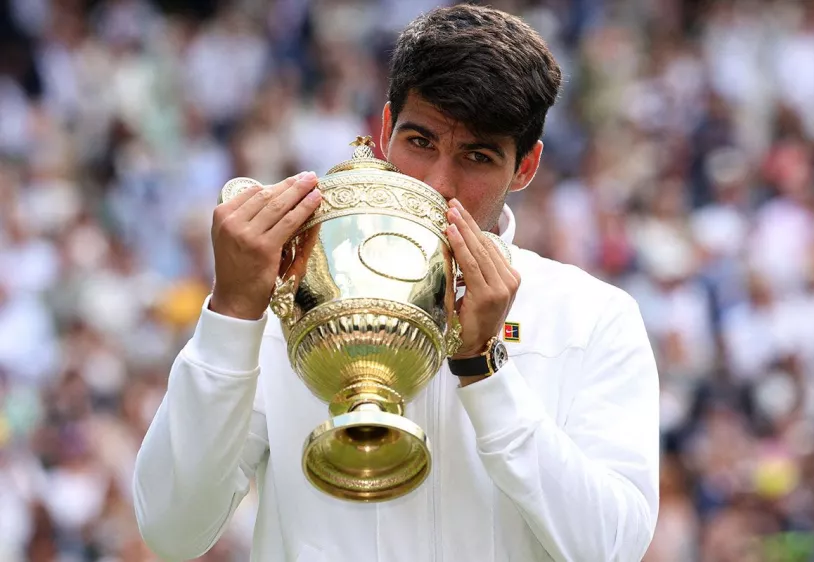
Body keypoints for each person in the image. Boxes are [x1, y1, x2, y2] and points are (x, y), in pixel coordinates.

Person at [132, 5, 660, 561]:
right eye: (421, 142)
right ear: (384, 132)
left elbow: (611, 548)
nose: (438, 184)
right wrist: (233, 313)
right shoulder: (290, 305)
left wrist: (484, 368)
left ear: (525, 167)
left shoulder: (591, 316)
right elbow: (172, 530)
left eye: (477, 157)